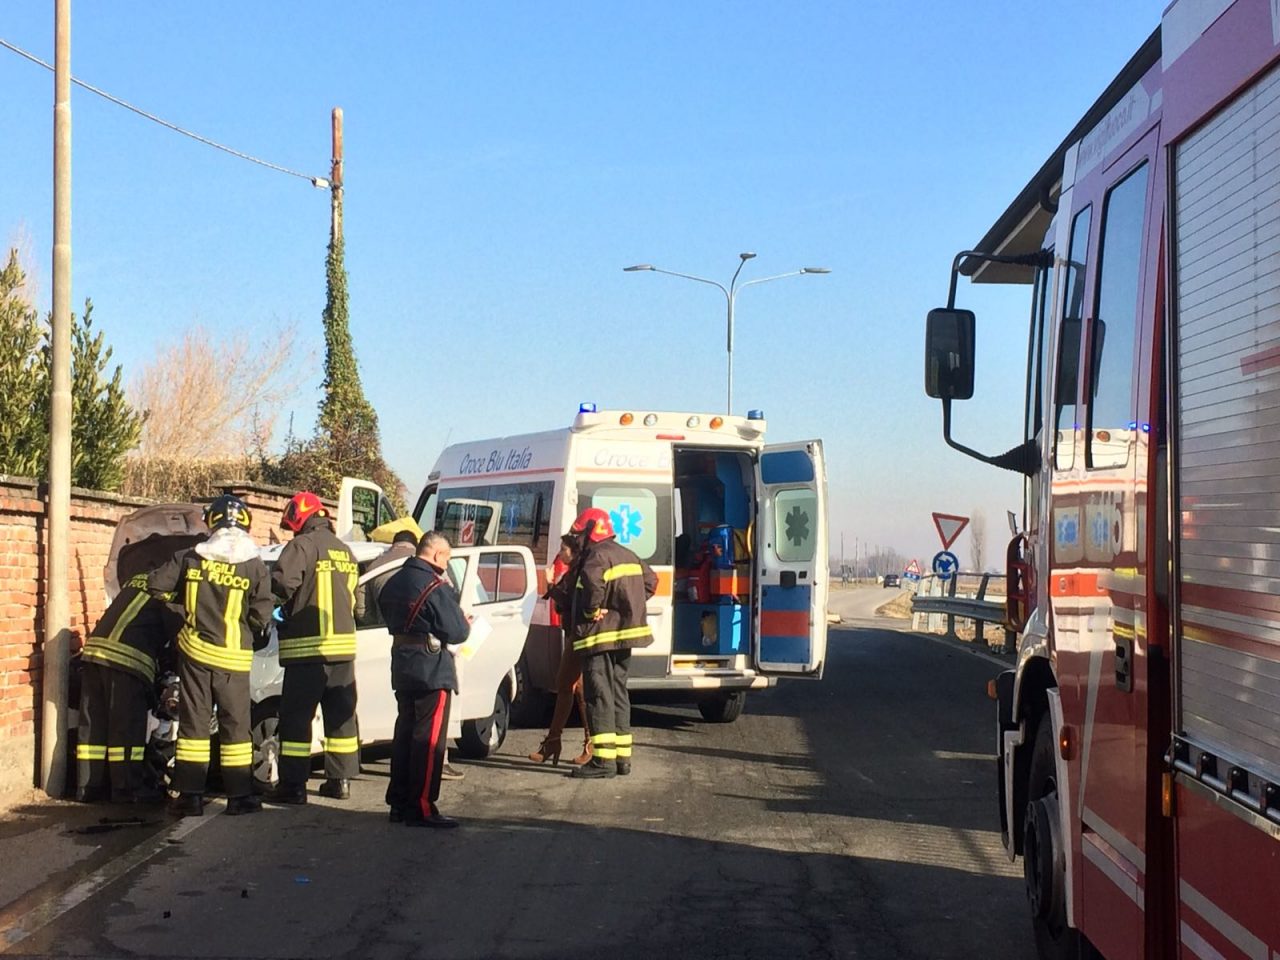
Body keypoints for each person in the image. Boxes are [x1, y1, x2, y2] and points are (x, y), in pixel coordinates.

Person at [148, 494, 273, 817]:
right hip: (233, 658)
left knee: (195, 726)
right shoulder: (254, 565)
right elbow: (262, 615)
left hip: (195, 654)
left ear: (212, 523)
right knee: (235, 728)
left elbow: (155, 586)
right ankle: (239, 795)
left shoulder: (191, 557)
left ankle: (190, 796)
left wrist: (181, 611)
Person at [267, 491, 361, 804]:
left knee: (296, 719)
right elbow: (358, 607)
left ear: (299, 517)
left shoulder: (302, 546)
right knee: (341, 718)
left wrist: (273, 606)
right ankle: (341, 781)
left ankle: (293, 787)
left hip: (308, 650)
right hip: (343, 652)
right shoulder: (345, 551)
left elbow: (281, 585)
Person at [378, 531, 470, 828]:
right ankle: (421, 806)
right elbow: (458, 631)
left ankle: (399, 802)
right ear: (436, 555)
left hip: (402, 663)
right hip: (431, 668)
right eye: (447, 558)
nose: (447, 564)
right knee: (428, 741)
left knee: (404, 734)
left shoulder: (394, 581)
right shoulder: (434, 584)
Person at [562, 508, 657, 779]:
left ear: (590, 532)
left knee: (599, 695)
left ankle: (602, 761)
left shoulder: (595, 557)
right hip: (624, 637)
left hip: (599, 637)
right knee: (618, 693)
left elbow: (592, 586)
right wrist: (626, 607)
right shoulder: (627, 554)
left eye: (578, 534)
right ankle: (622, 759)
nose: (576, 540)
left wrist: (593, 612)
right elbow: (651, 581)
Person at [76, 568, 181, 803]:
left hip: (94, 653)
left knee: (94, 723)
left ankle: (87, 786)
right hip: (128, 661)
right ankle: (127, 789)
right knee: (126, 728)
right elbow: (179, 635)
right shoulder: (172, 593)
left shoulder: (137, 578)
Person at [528, 535, 591, 767]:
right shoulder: (574, 571)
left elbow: (566, 599)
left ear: (573, 552)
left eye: (563, 549)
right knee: (572, 687)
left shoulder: (579, 572)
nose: (560, 553)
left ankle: (570, 743)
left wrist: (551, 584)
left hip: (580, 636)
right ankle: (556, 742)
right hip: (574, 634)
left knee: (569, 685)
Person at [354, 529, 419, 625]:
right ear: (415, 545)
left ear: (394, 545)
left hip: (385, 630)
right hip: (424, 633)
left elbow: (362, 610)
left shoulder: (373, 566)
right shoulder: (427, 562)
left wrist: (377, 624)